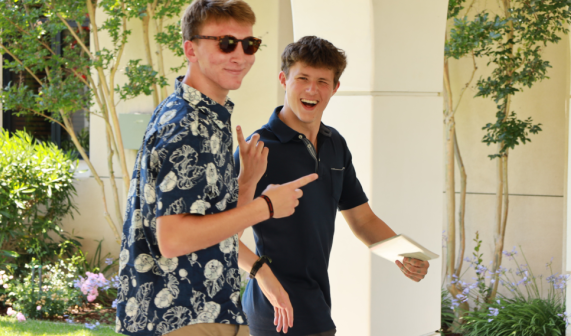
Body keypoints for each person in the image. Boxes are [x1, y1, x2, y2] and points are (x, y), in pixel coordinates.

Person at [115, 1, 317, 335]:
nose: (240, 55)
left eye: (249, 44)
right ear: (190, 49)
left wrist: (246, 182)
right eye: (226, 43)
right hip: (181, 317)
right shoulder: (186, 125)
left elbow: (215, 235)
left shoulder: (205, 116)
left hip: (204, 311)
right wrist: (265, 207)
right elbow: (174, 239)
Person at [234, 36, 431, 336]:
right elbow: (221, 236)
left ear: (335, 88)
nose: (312, 90)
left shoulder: (334, 143)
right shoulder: (257, 149)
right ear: (283, 80)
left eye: (323, 81)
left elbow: (362, 218)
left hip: (316, 298)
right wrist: (263, 276)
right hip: (273, 306)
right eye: (302, 78)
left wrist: (401, 254)